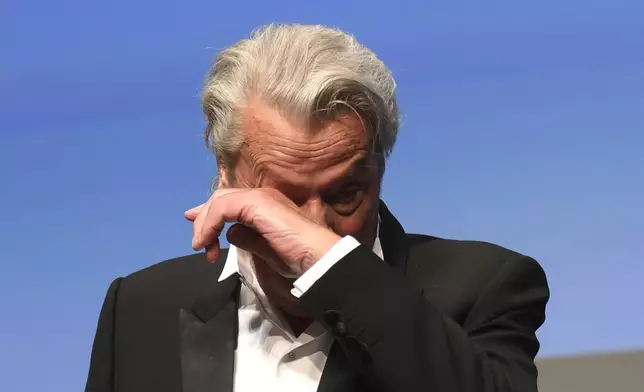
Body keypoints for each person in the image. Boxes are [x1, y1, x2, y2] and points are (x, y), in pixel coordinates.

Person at [85, 24, 549, 392]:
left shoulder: (486, 286)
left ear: (379, 168)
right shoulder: (140, 305)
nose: (312, 226)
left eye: (344, 194)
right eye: (282, 199)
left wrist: (328, 264)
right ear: (225, 175)